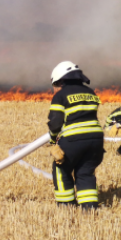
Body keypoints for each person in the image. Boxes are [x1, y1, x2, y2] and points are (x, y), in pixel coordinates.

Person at [47, 61, 105, 208]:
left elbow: (55, 122)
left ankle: (67, 205)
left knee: (61, 169)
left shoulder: (61, 96)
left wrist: (53, 140)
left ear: (60, 80)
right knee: (85, 172)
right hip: (96, 140)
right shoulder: (91, 92)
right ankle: (89, 207)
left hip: (74, 139)